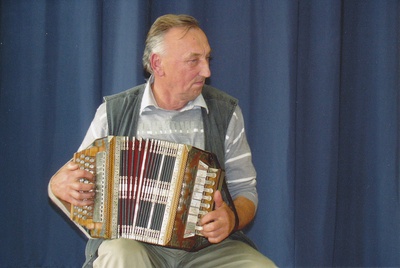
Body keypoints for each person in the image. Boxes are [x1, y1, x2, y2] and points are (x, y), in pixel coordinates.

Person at [49, 14, 276, 267]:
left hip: (207, 248)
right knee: (119, 255)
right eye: (194, 61)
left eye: (207, 58)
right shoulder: (113, 113)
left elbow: (245, 190)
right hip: (134, 245)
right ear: (158, 64)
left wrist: (231, 219)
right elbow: (70, 180)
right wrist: (57, 185)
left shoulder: (225, 112)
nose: (207, 70)